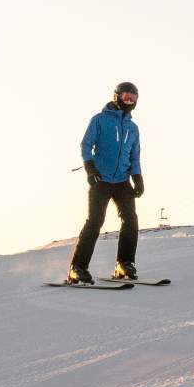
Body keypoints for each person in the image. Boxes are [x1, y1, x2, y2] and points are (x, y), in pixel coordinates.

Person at [68, 81, 144, 284]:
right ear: (117, 97)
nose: (130, 101)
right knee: (95, 222)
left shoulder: (133, 128)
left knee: (131, 220)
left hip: (122, 181)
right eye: (126, 96)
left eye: (134, 98)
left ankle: (124, 264)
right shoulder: (100, 120)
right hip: (100, 179)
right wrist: (90, 169)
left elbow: (134, 157)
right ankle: (77, 268)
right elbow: (86, 145)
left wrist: (137, 178)